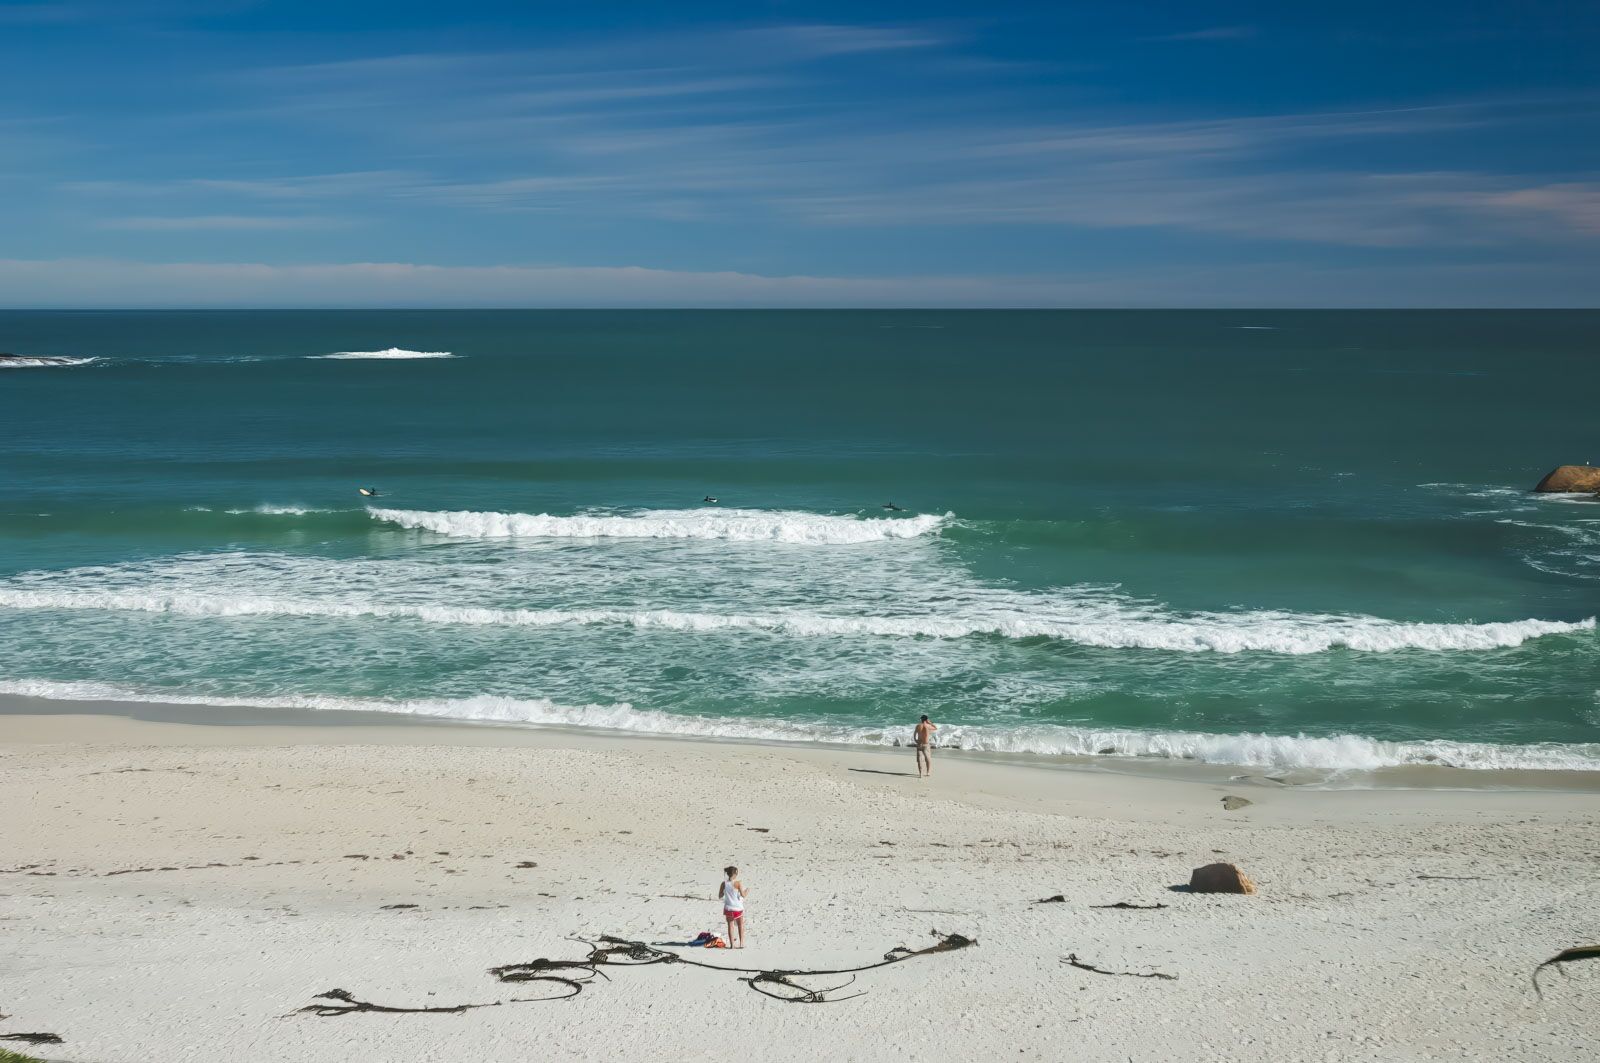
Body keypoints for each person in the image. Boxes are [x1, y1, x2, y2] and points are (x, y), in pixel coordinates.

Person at [716, 865, 747, 948]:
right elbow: (743, 895)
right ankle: (741, 944)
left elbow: (720, 896)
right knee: (740, 925)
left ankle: (732, 945)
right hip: (737, 908)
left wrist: (724, 892)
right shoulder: (738, 883)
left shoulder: (724, 884)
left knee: (730, 926)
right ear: (735, 874)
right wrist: (747, 891)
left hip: (728, 908)